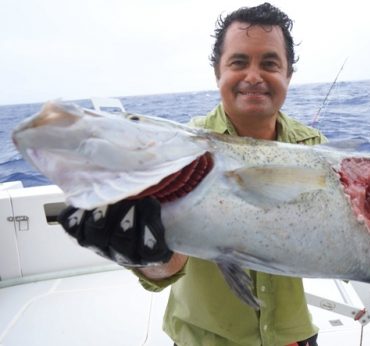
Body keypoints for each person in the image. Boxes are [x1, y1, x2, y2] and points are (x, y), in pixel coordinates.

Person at [59, 3, 327, 345]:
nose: (254, 76)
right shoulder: (177, 154)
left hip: (292, 336)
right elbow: (166, 268)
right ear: (218, 72)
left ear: (288, 74)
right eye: (239, 62)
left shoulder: (316, 149)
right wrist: (145, 255)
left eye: (270, 64)